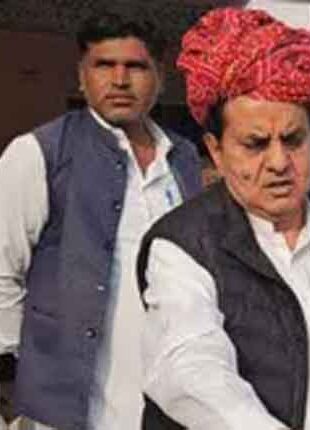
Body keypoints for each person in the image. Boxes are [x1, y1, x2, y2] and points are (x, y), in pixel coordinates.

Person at [137, 8, 310, 429]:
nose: (279, 162)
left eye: (293, 140)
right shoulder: (183, 246)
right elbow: (191, 370)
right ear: (217, 151)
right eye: (256, 144)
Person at [0, 11, 201, 430]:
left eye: (136, 66)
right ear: (82, 76)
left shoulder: (181, 158)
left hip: (167, 392)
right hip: (69, 403)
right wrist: (23, 374)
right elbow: (2, 271)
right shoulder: (40, 153)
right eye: (104, 65)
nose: (120, 80)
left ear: (159, 77)